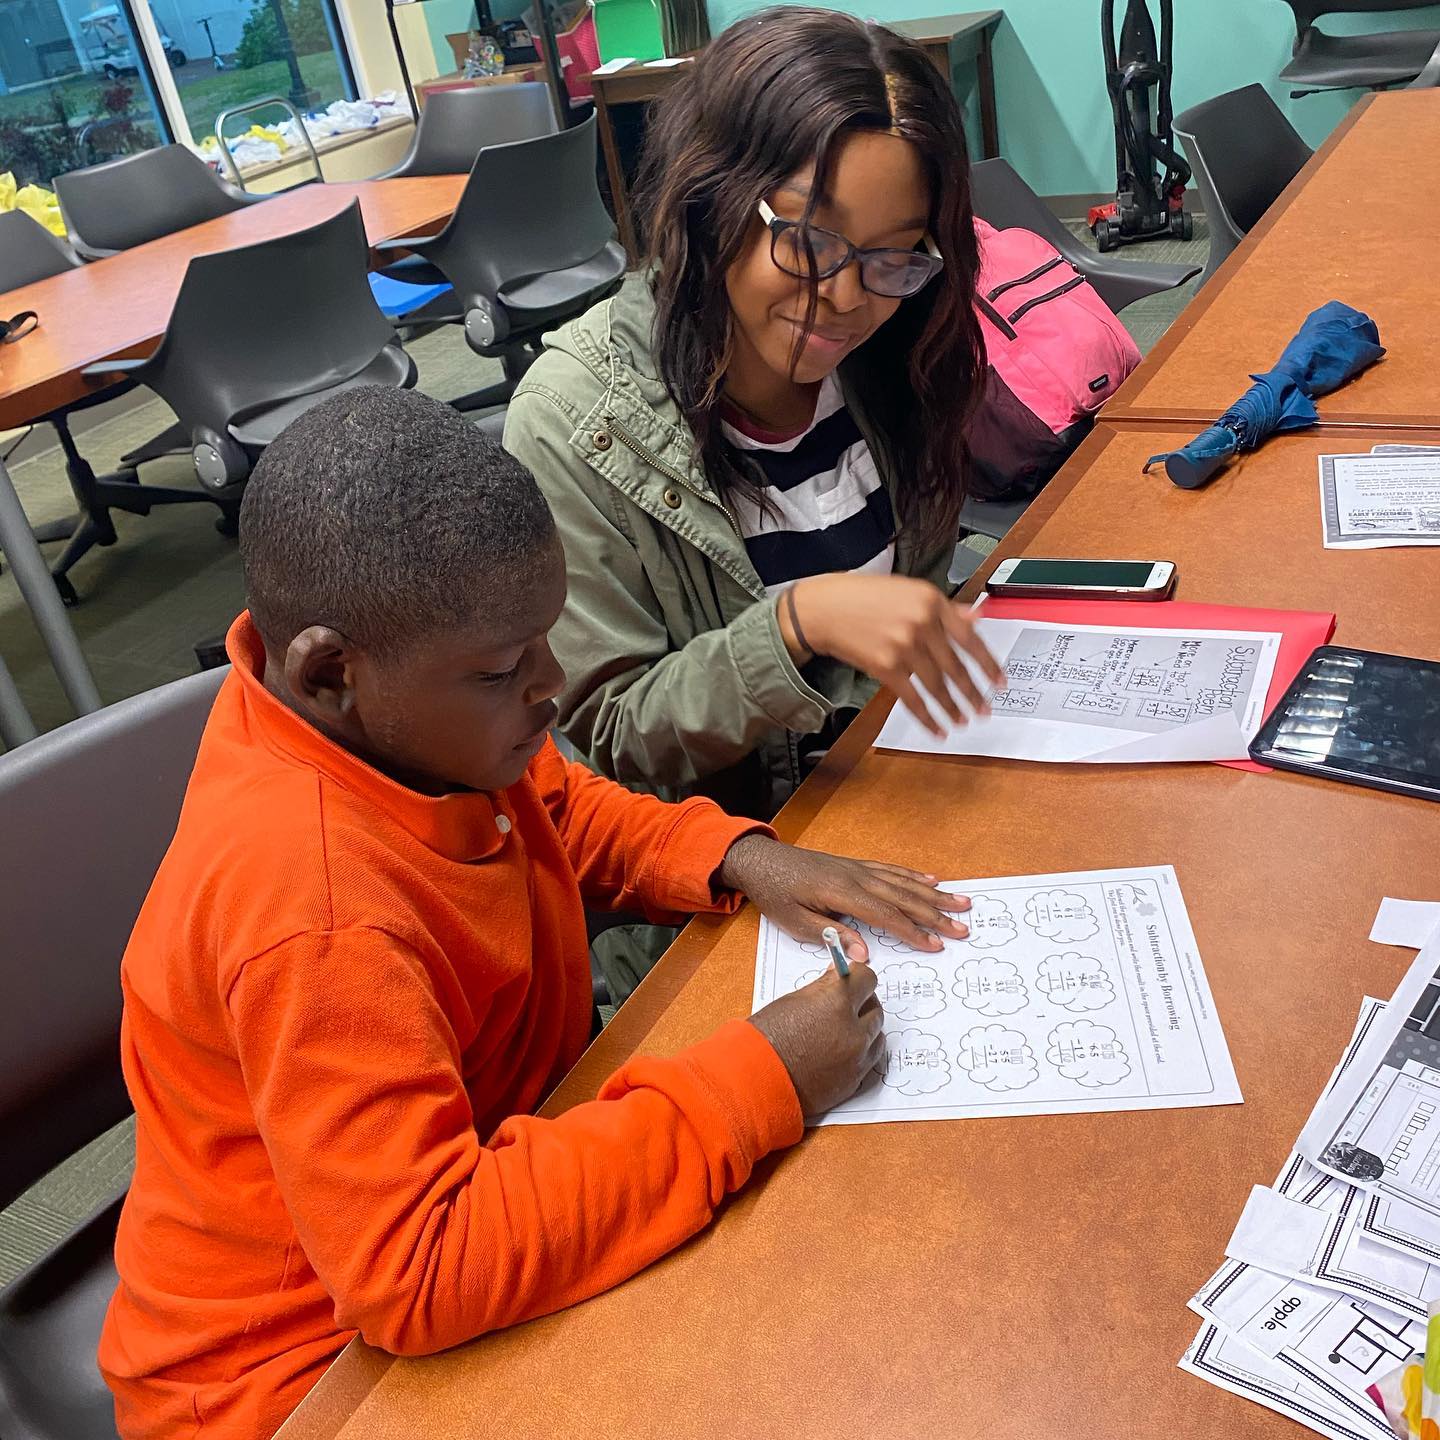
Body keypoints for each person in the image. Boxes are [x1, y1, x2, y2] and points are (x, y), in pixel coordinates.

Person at [97, 388, 974, 1440]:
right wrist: (761, 1080)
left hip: (465, 1204)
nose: (551, 688)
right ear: (330, 671)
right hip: (297, 1385)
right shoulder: (316, 915)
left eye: (544, 644)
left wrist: (734, 853)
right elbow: (420, 1271)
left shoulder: (406, 729)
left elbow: (558, 809)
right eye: (507, 669)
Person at [504, 7, 1006, 835]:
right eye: (810, 241)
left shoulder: (895, 355)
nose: (847, 299)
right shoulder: (576, 420)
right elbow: (604, 737)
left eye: (893, 255)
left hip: (894, 793)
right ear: (712, 198)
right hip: (740, 876)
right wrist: (797, 624)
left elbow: (916, 598)